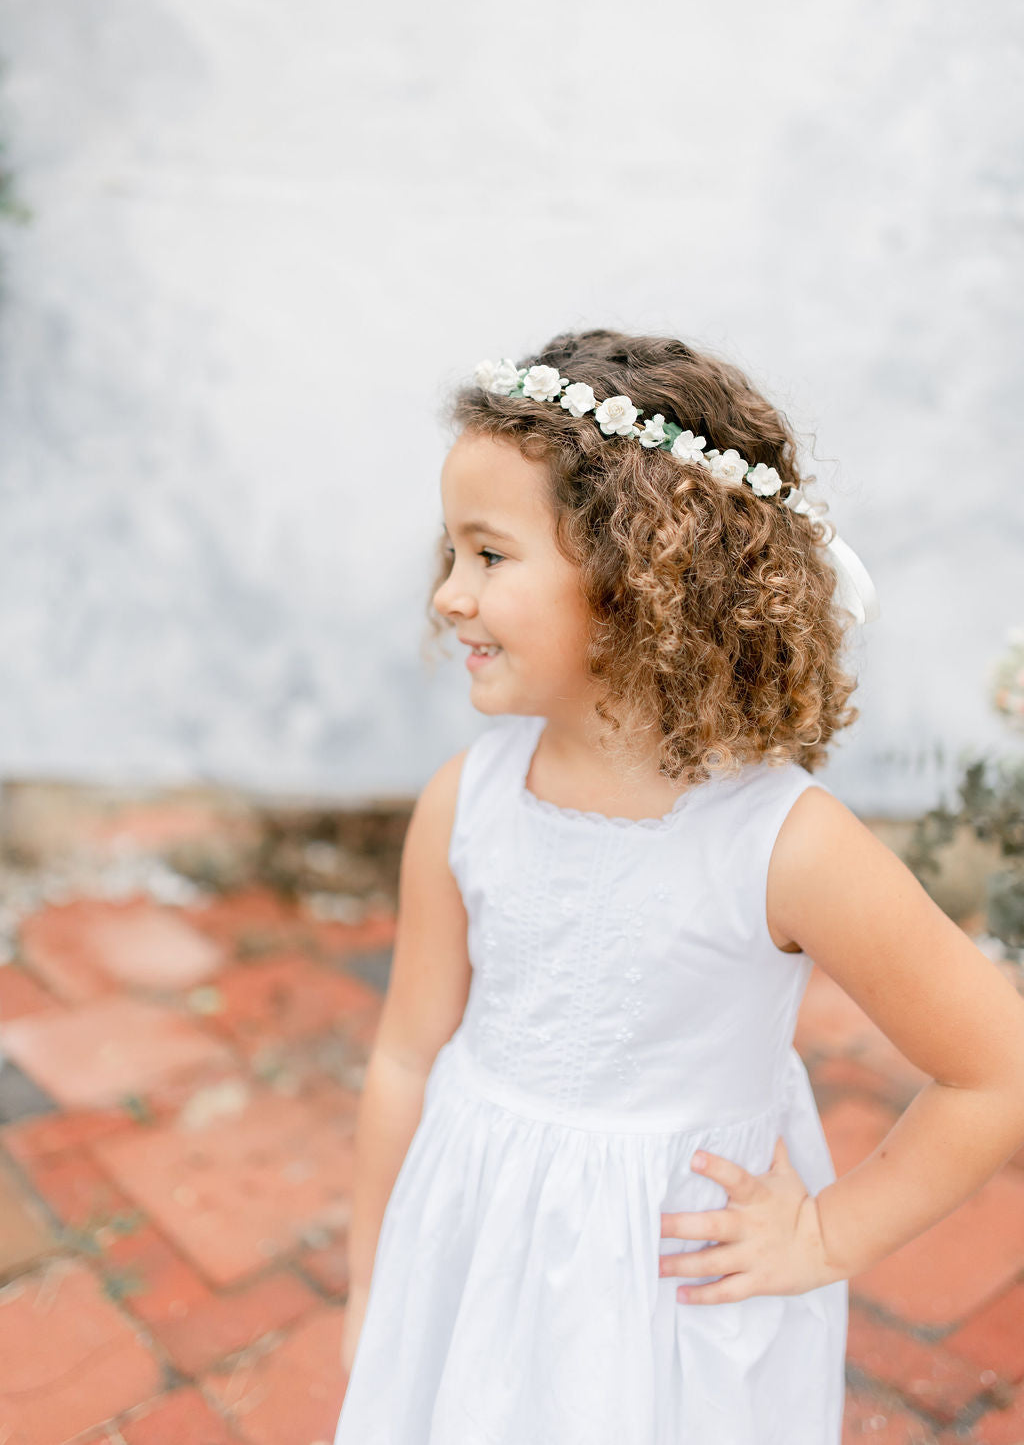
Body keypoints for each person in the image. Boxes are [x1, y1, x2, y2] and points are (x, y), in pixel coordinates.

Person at [332, 329, 1024, 1444]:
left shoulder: (781, 844)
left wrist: (825, 1236)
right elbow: (407, 1051)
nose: (449, 596)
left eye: (490, 556)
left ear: (638, 577)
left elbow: (996, 1063)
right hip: (471, 1241)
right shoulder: (465, 804)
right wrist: (377, 1280)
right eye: (448, 554)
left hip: (669, 1286)